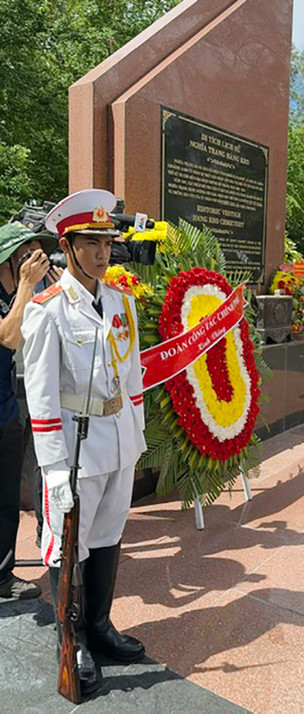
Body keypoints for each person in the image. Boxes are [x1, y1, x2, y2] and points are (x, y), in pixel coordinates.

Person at [25, 189, 149, 694]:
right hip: (75, 452)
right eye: (91, 242)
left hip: (118, 442)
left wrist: (136, 438)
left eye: (107, 242)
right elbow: (43, 394)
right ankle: (71, 639)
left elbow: (133, 375)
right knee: (66, 547)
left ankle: (99, 625)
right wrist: (53, 469)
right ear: (68, 245)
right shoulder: (47, 309)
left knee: (107, 536)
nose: (103, 253)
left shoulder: (120, 301)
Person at [0, 223, 55, 602]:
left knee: (5, 500)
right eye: (29, 254)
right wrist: (24, 287)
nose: (36, 263)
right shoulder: (16, 291)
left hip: (6, 411)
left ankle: (2, 576)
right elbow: (8, 337)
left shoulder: (27, 292)